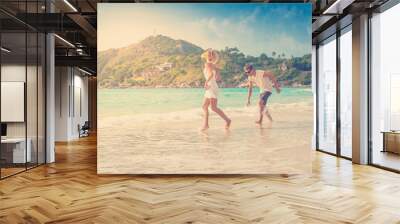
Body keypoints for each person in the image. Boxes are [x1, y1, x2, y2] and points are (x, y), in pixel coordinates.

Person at [200, 49, 231, 131]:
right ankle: (206, 124)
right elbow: (218, 77)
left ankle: (227, 120)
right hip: (212, 85)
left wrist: (206, 82)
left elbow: (210, 74)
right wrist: (213, 78)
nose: (210, 56)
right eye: (209, 54)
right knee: (205, 106)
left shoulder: (208, 64)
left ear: (212, 57)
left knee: (212, 107)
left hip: (211, 86)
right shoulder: (214, 65)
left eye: (211, 55)